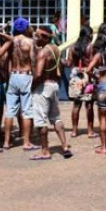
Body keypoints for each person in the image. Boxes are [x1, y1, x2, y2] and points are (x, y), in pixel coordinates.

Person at [30, 27, 72, 160]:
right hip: (54, 85)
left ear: (46, 37)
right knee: (56, 118)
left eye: (39, 36)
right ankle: (65, 146)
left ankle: (45, 151)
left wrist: (32, 87)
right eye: (36, 35)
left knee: (41, 121)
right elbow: (59, 71)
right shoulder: (55, 49)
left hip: (43, 87)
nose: (36, 38)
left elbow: (37, 74)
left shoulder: (43, 52)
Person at [5, 17, 37, 151]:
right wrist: (35, 77)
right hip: (25, 75)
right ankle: (26, 142)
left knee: (10, 111)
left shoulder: (10, 42)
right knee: (27, 110)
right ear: (26, 28)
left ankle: (6, 142)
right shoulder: (30, 42)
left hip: (13, 75)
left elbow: (7, 61)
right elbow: (33, 61)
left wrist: (9, 76)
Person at [86, 23, 106, 155]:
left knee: (103, 118)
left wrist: (96, 75)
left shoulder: (99, 55)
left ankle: (103, 146)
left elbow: (88, 69)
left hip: (103, 86)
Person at [66, 26, 95, 138]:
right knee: (89, 105)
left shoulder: (72, 47)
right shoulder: (91, 48)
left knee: (76, 105)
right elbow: (93, 63)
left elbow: (68, 64)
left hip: (75, 75)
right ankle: (90, 131)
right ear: (89, 35)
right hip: (87, 76)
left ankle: (74, 131)